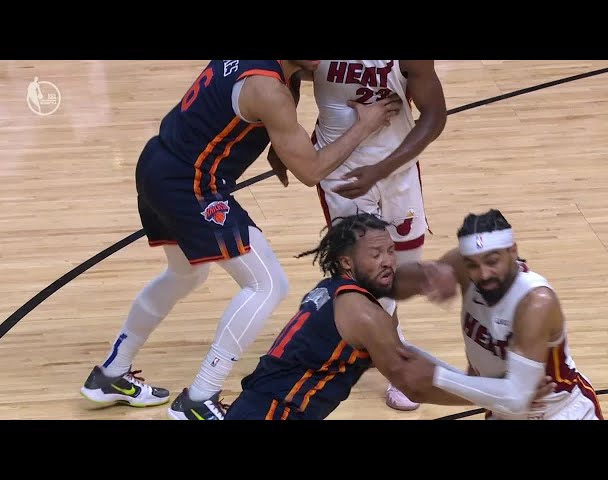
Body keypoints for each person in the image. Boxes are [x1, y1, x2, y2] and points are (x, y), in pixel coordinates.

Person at [79, 60, 403, 421]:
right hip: (190, 184)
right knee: (268, 285)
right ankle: (200, 397)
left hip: (157, 165)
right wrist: (365, 124)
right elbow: (310, 170)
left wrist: (279, 142)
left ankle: (111, 373)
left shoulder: (276, 73)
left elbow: (291, 88)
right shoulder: (268, 90)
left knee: (185, 275)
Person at [223, 212, 555, 420]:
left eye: (391, 251)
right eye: (375, 254)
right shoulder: (364, 314)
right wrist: (503, 396)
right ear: (347, 262)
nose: (387, 261)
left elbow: (407, 354)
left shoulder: (333, 291)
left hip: (256, 405)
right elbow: (414, 383)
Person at [267, 60, 448, 411]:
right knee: (369, 270)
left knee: (401, 268)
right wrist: (279, 140)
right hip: (341, 169)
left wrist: (380, 169)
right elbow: (288, 72)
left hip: (397, 166)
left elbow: (435, 116)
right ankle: (396, 362)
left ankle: (383, 337)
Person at [421, 208, 604, 420]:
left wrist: (434, 376)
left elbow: (516, 399)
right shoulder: (464, 272)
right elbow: (400, 284)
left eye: (492, 261)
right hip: (502, 409)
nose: (484, 274)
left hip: (558, 412)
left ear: (513, 251)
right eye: (473, 265)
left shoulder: (535, 302)